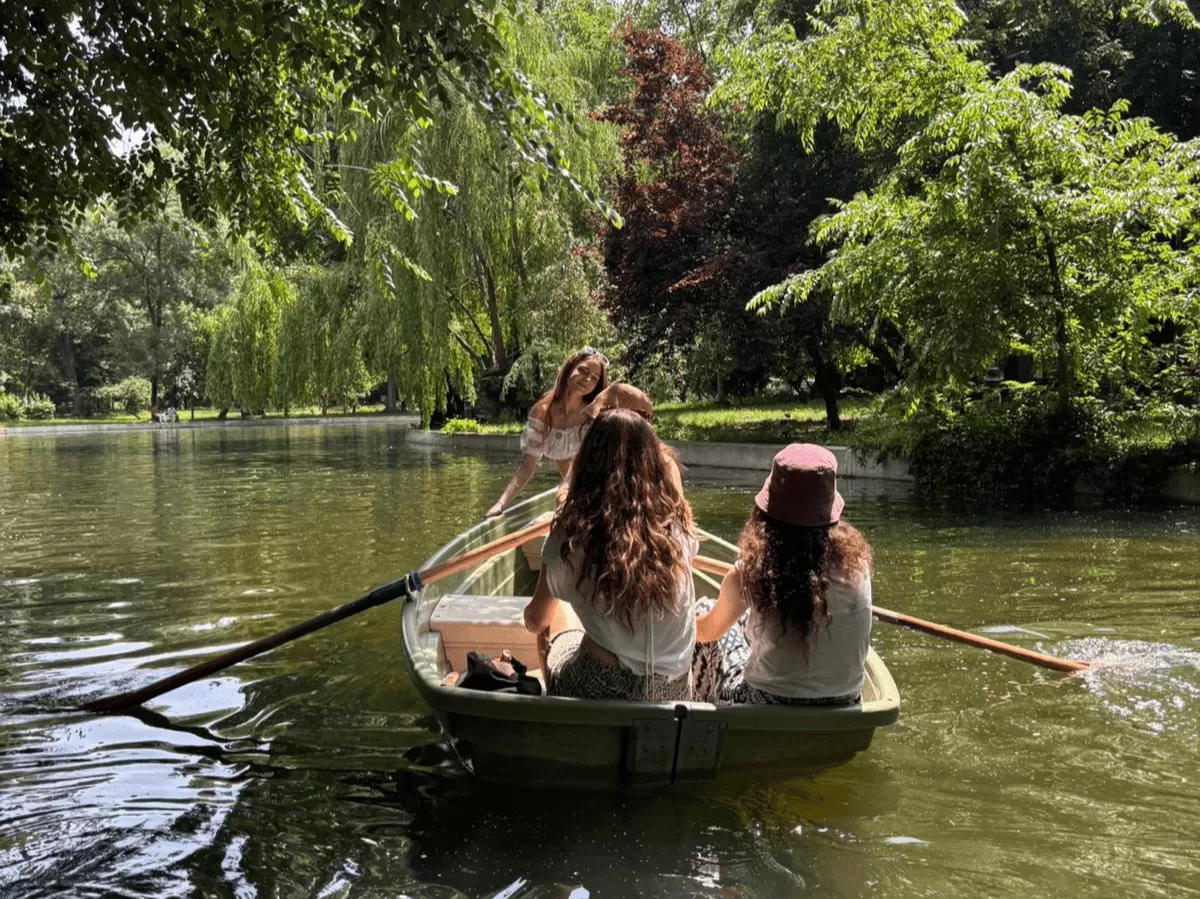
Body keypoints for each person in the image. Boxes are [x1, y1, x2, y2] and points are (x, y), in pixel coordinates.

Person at [522, 408, 702, 701]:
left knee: (557, 622)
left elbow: (535, 619)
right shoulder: (678, 527)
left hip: (601, 689)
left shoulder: (571, 534)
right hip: (673, 689)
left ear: (587, 464)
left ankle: (555, 709)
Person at [695, 444, 873, 705]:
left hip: (765, 704)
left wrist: (683, 617)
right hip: (844, 702)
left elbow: (706, 632)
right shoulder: (859, 568)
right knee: (747, 620)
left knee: (707, 614)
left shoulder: (748, 573)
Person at [484, 347, 609, 518]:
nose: (588, 379)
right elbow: (527, 467)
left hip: (598, 489)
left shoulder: (593, 415)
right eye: (583, 370)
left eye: (594, 378)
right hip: (571, 492)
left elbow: (586, 464)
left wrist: (567, 494)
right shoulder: (542, 412)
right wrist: (500, 504)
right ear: (569, 368)